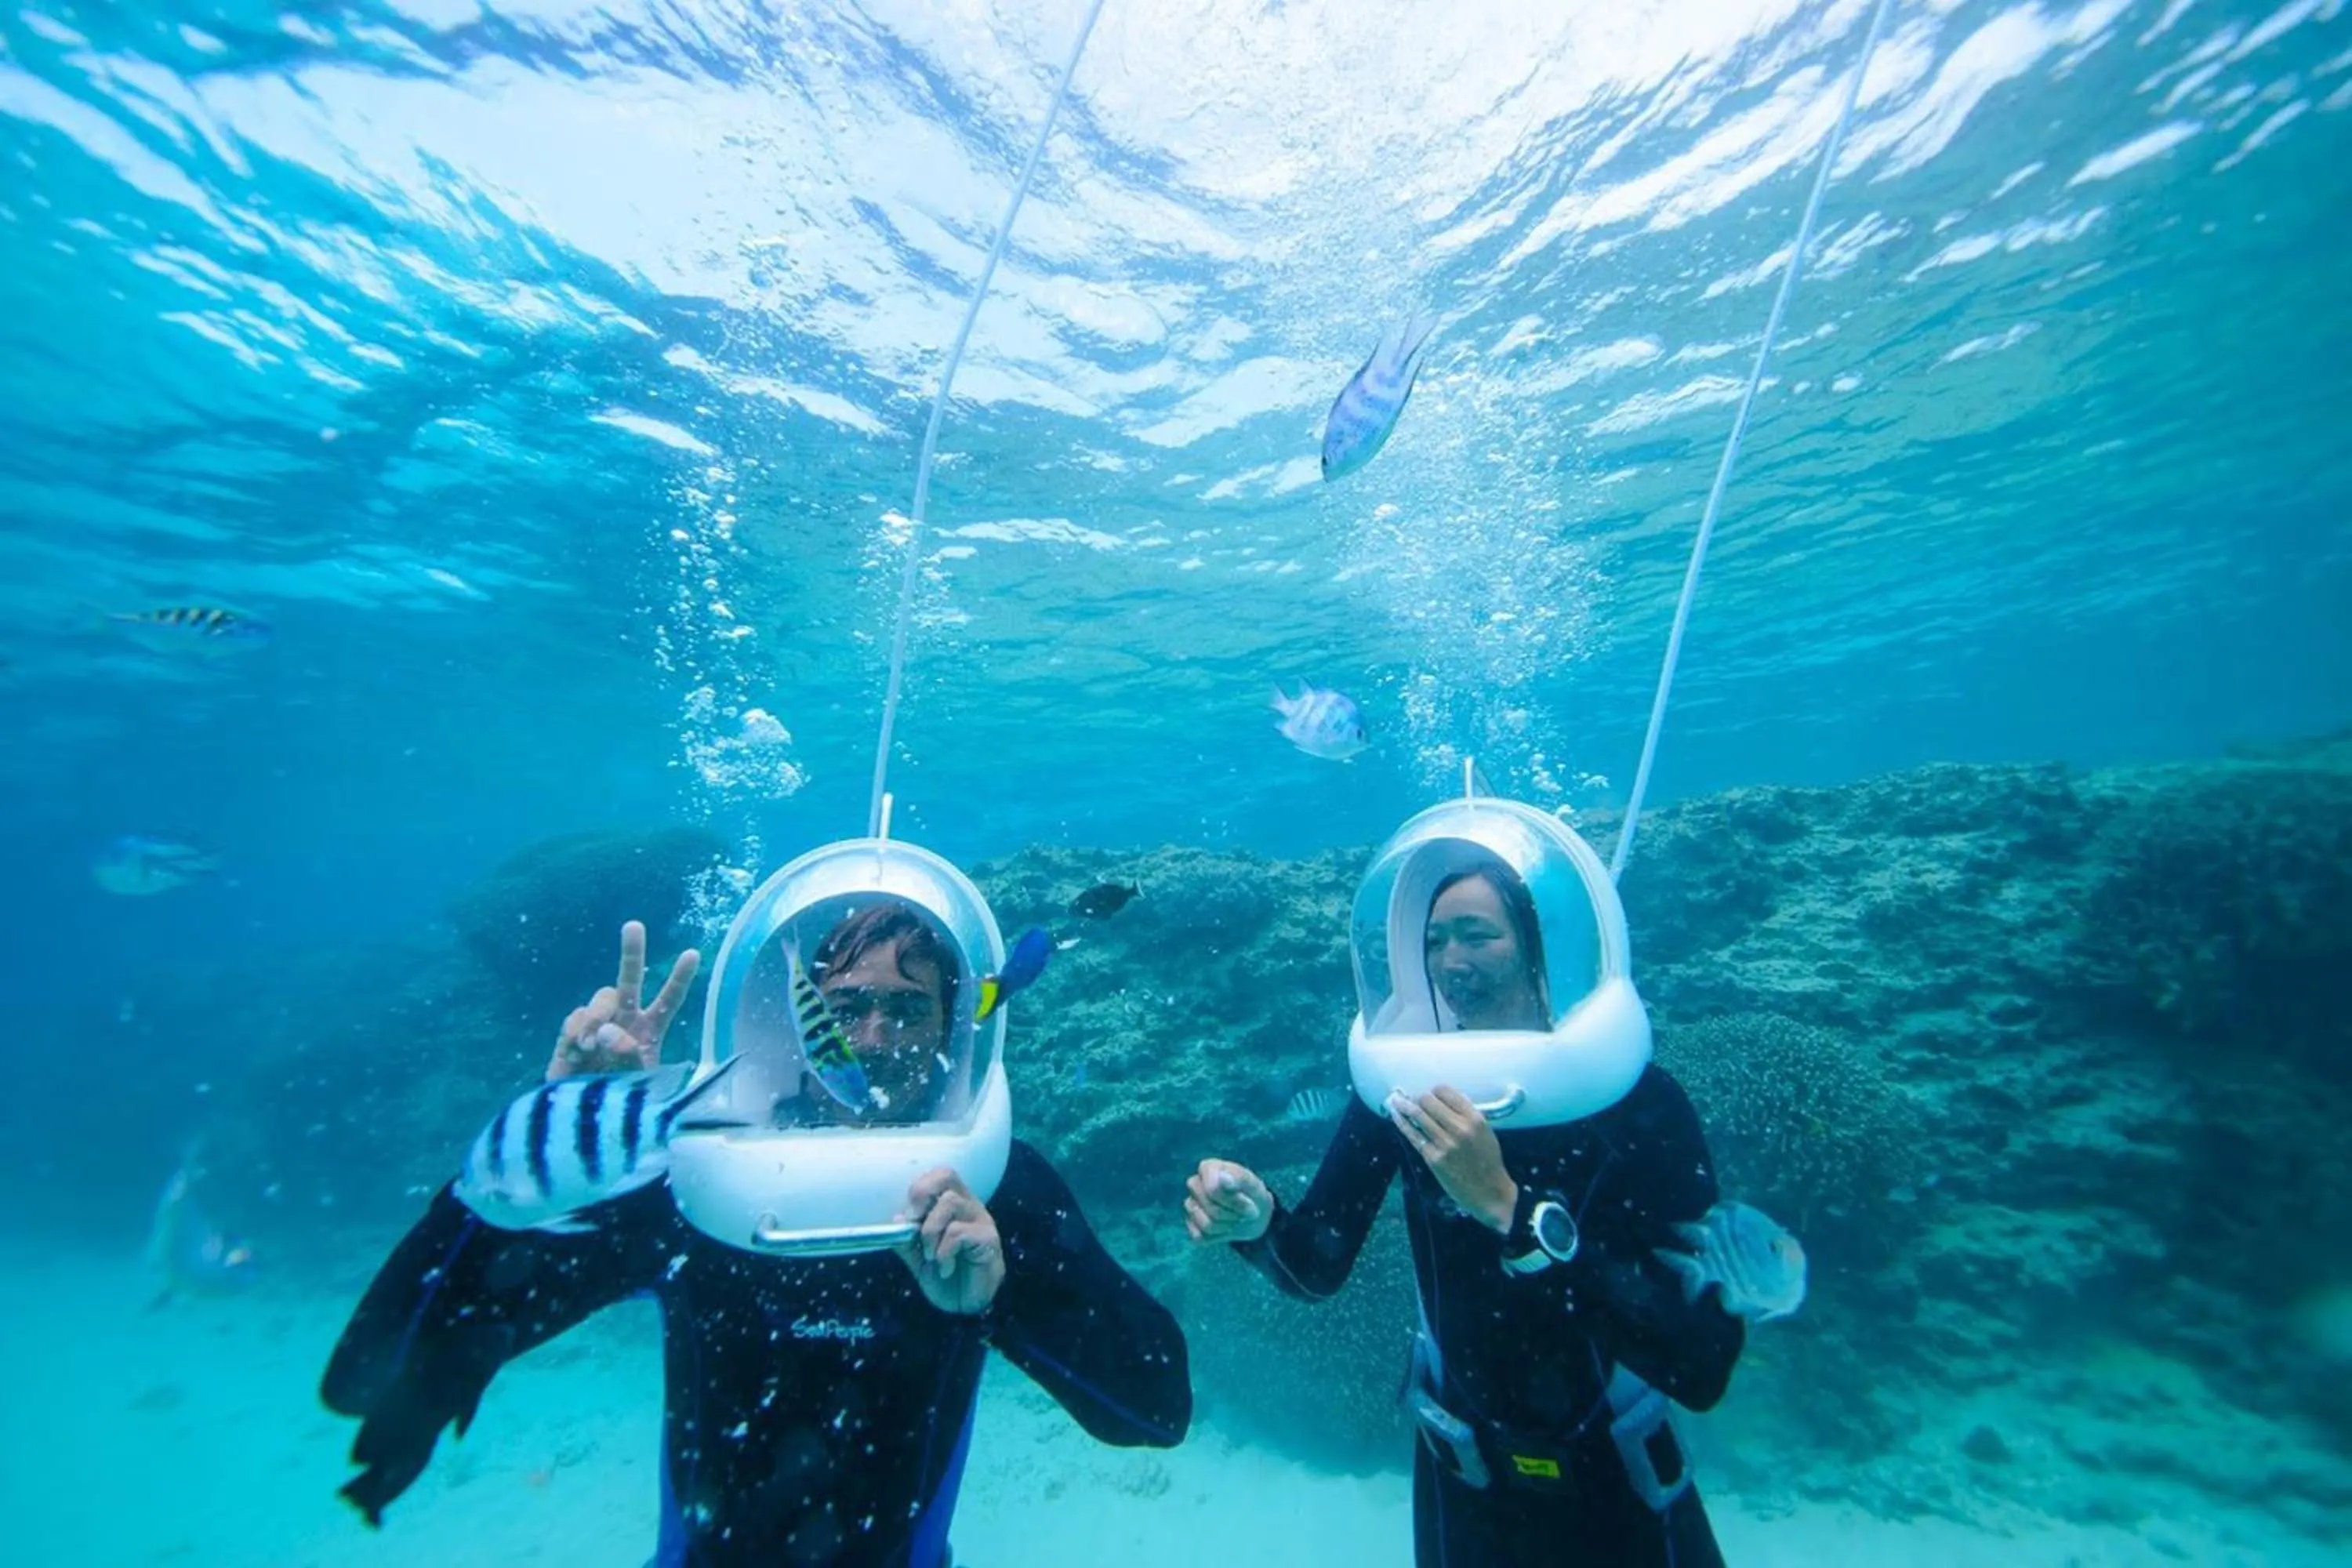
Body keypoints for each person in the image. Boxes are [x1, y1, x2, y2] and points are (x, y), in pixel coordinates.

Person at [323, 884, 1191, 1568]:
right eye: (845, 1008)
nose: (875, 1036)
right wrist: (536, 1162)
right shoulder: (697, 1178)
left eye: (908, 1007)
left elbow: (1156, 1412)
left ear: (955, 1023)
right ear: (801, 1022)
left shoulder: (993, 1190)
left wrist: (999, 1299)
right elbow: (374, 1372)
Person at [1185, 853, 1744, 1567]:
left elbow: (1702, 1365)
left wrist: (1512, 1211)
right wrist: (1259, 1224)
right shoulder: (1402, 1088)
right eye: (1434, 940)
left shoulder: (1634, 1100)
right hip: (1464, 1487)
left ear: (1537, 942)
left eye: (1478, 935)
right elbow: (1316, 1269)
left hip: (1622, 1488)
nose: (1451, 959)